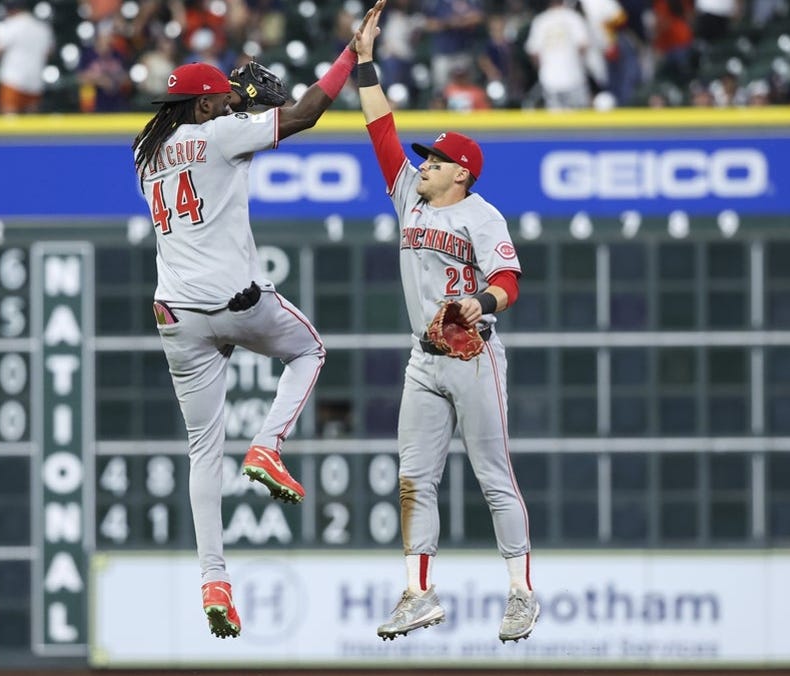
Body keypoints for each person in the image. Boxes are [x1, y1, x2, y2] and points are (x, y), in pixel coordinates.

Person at [130, 6, 372, 636]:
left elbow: (201, 125)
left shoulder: (146, 154)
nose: (231, 102)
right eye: (221, 99)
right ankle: (268, 445)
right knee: (310, 351)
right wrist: (348, 54)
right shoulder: (215, 135)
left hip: (176, 316)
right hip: (235, 302)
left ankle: (214, 580)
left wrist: (229, 101)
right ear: (205, 108)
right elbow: (306, 112)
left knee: (202, 451)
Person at [351, 0, 539, 643]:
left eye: (435, 160)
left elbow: (510, 281)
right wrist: (366, 61)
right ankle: (416, 593)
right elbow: (380, 128)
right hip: (423, 357)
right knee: (413, 479)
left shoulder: (482, 216)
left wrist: (480, 305)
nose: (422, 163)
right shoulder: (408, 194)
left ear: (462, 173)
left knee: (494, 477)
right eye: (424, 159)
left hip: (473, 353)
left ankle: (520, 592)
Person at [0, 0, 53, 114]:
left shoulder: (11, 24)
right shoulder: (42, 27)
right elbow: (48, 53)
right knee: (31, 127)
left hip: (12, 81)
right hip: (35, 82)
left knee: (9, 126)